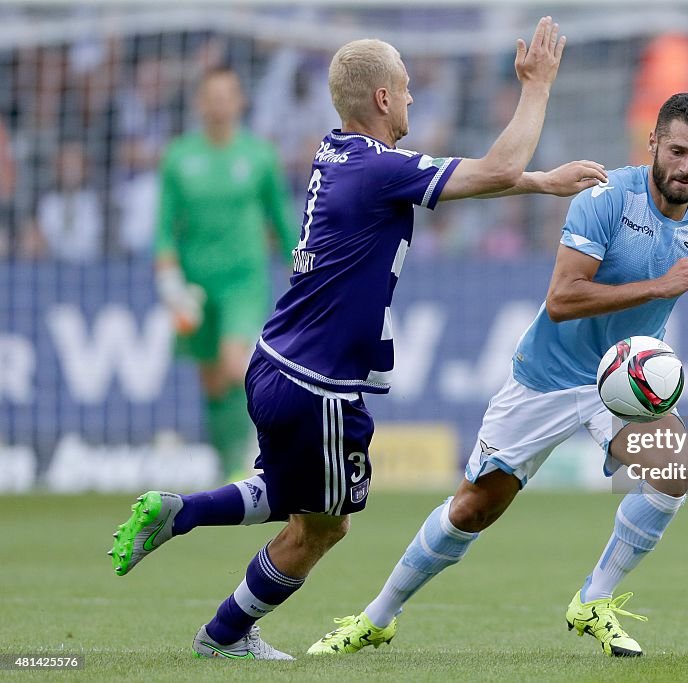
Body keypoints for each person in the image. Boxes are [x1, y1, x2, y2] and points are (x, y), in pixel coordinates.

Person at [109, 17, 608, 660]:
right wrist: (537, 86)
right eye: (403, 89)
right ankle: (222, 634)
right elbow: (497, 165)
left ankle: (182, 517)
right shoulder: (379, 170)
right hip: (317, 383)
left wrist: (539, 182)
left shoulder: (339, 154)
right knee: (322, 526)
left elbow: (481, 177)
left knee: (300, 502)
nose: (409, 99)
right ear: (380, 98)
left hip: (279, 365)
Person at [309, 92, 688, 659]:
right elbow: (562, 298)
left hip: (621, 383)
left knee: (674, 467)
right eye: (678, 151)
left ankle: (594, 598)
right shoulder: (606, 198)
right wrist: (662, 285)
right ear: (653, 143)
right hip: (545, 377)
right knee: (473, 507)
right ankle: (378, 617)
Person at [153, 67, 295, 481]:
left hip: (243, 281)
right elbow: (163, 230)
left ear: (239, 102)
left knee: (237, 366)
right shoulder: (179, 158)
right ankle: (226, 461)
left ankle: (253, 459)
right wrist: (169, 281)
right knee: (213, 381)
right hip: (196, 286)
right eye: (210, 96)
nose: (218, 104)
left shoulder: (259, 156)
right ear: (199, 102)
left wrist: (298, 265)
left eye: (226, 95)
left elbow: (282, 221)